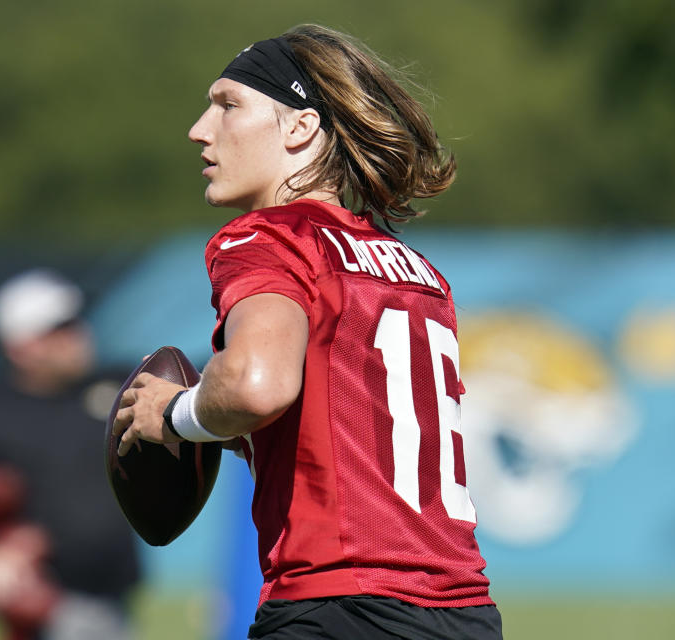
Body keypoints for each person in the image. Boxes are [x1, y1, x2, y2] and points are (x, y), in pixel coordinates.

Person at [114, 24, 502, 639]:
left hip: (338, 604)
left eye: (227, 106)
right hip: (463, 614)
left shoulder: (268, 235)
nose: (200, 129)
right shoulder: (420, 272)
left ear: (299, 128)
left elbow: (256, 386)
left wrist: (176, 415)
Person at [0, 269, 141, 640]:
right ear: (20, 346)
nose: (76, 335)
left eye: (76, 322)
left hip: (115, 590)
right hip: (51, 598)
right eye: (58, 328)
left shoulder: (118, 384)